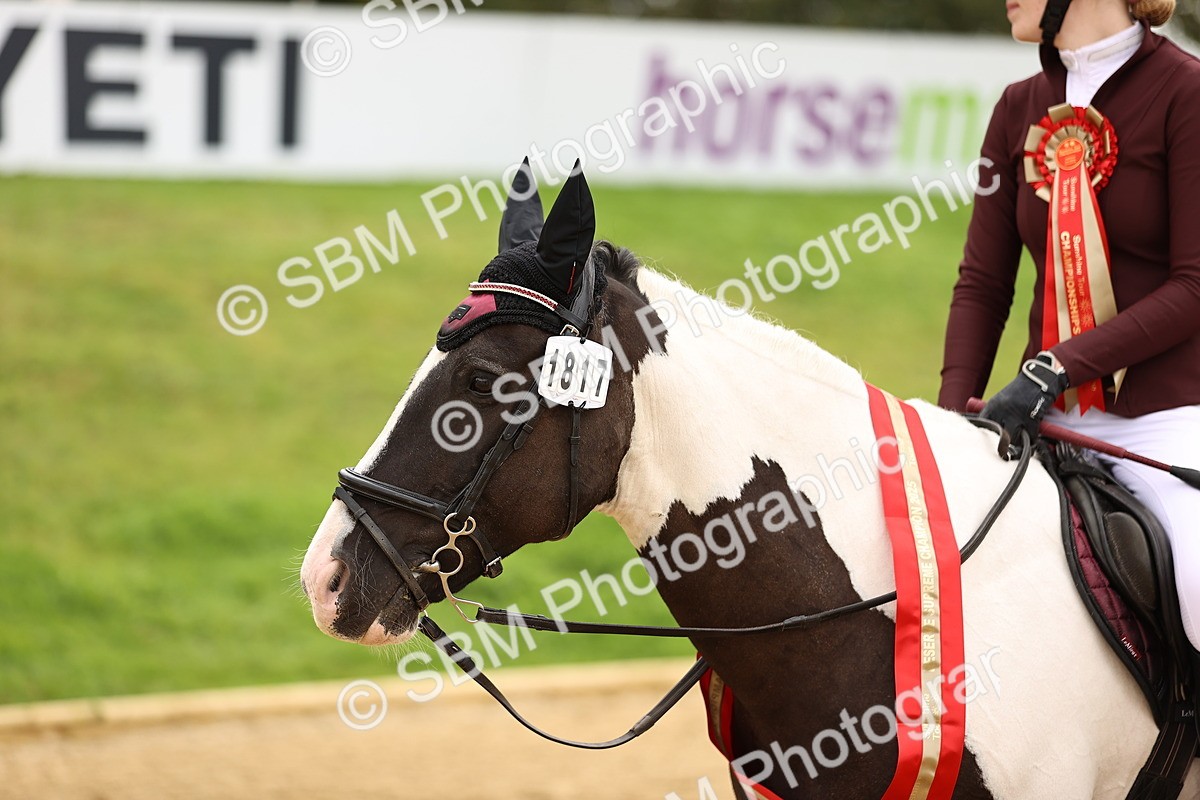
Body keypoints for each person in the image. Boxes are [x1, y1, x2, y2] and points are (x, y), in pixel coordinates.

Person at [938, 0, 1200, 659]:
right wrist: (947, 421)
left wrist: (1057, 366)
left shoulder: (1187, 93)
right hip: (1044, 415)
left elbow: (1193, 286)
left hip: (1166, 418)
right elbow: (984, 283)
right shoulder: (1016, 106)